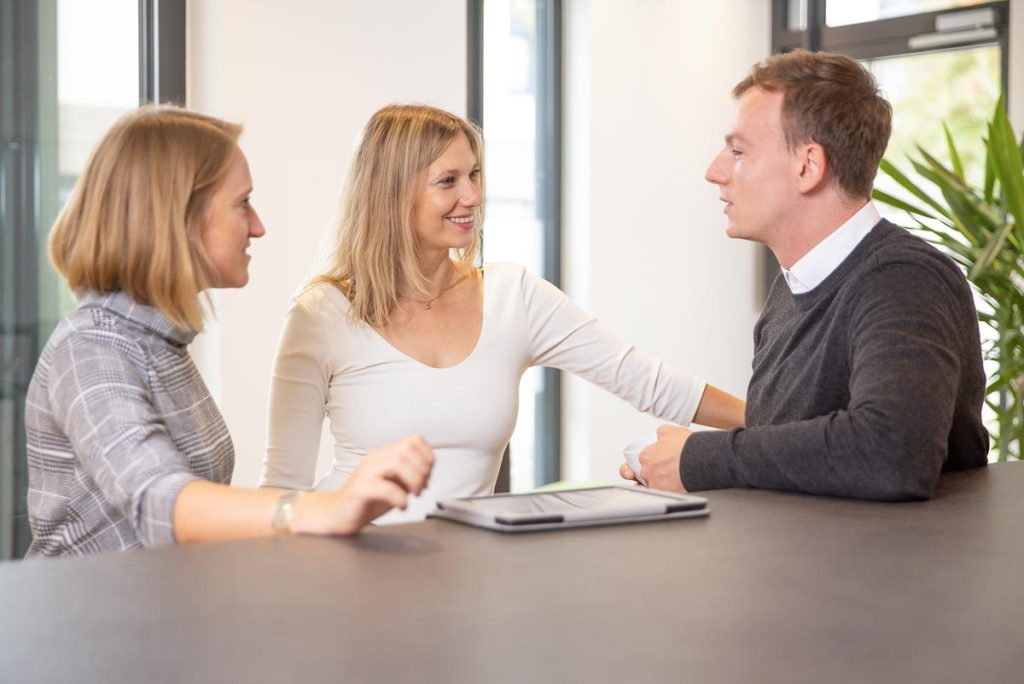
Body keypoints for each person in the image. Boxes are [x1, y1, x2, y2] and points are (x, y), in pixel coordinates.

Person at [260, 104, 745, 521]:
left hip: (467, 571)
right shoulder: (321, 314)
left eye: (473, 175)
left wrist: (777, 429)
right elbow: (283, 491)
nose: (471, 196)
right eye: (447, 181)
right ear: (391, 195)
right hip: (349, 570)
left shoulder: (513, 297)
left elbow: (647, 381)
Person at [25, 106, 435, 557]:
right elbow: (159, 501)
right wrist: (323, 509)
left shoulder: (160, 342)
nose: (257, 226)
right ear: (179, 216)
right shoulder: (91, 349)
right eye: (242, 203)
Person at [622, 50, 989, 500]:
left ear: (808, 166)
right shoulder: (792, 288)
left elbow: (893, 451)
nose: (714, 172)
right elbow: (787, 458)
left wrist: (699, 459)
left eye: (738, 151)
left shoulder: (903, 280)